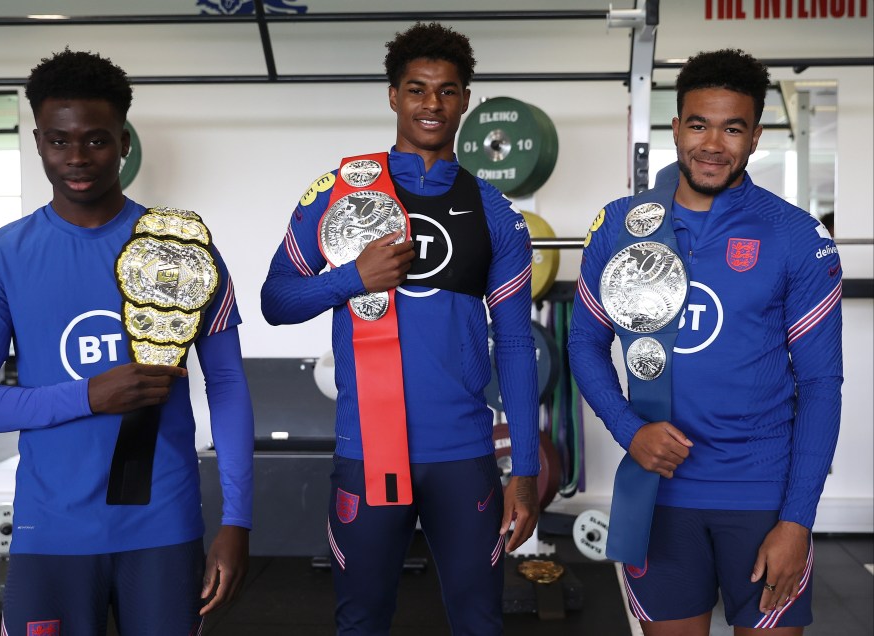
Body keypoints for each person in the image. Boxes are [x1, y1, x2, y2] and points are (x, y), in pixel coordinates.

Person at [0, 49, 254, 635]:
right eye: (59, 141)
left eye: (97, 140)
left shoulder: (182, 251)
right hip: (51, 531)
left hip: (162, 525)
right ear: (38, 140)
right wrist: (88, 395)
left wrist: (237, 522)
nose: (77, 159)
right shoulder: (2, 257)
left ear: (125, 142)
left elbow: (230, 386)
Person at [261, 21, 539, 635]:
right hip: (368, 449)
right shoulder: (340, 194)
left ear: (466, 98)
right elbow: (275, 300)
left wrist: (525, 468)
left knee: (480, 622)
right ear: (393, 96)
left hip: (463, 454)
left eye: (447, 90)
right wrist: (352, 278)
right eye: (417, 89)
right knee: (361, 621)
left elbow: (517, 345)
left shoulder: (495, 213)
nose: (431, 105)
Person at [568, 48, 842, 635]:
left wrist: (797, 520)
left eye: (732, 127)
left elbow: (822, 385)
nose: (712, 143)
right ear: (676, 128)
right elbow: (584, 345)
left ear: (754, 135)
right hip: (660, 495)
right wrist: (628, 429)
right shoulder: (621, 225)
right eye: (698, 124)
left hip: (761, 496)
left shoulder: (794, 235)